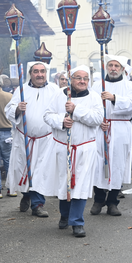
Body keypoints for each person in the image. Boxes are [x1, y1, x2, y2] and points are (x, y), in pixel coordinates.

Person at [42, 66, 103, 236]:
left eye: (85, 78)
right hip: (63, 147)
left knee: (81, 185)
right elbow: (47, 115)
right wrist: (61, 121)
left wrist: (76, 110)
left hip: (84, 148)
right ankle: (65, 215)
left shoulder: (94, 97)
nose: (82, 81)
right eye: (78, 78)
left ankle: (77, 222)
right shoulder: (58, 95)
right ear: (70, 79)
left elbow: (97, 118)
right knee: (64, 183)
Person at [5, 62, 61, 217]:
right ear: (30, 73)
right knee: (24, 169)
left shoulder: (54, 90)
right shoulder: (21, 90)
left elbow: (60, 110)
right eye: (36, 71)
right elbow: (8, 109)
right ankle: (26, 194)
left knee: (40, 171)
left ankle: (38, 204)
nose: (39, 74)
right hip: (24, 139)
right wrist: (17, 109)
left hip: (46, 140)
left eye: (42, 71)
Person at [90, 55, 132, 216]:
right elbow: (90, 106)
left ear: (122, 69)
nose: (113, 68)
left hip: (120, 128)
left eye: (116, 66)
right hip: (101, 129)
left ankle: (113, 202)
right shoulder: (97, 85)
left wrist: (114, 98)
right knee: (99, 164)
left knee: (117, 164)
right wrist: (98, 121)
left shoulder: (129, 86)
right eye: (110, 65)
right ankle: (98, 200)